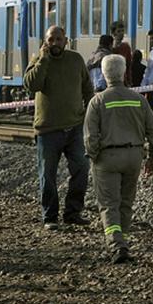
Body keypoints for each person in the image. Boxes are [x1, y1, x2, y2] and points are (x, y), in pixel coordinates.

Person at [84, 54, 153, 264]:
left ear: (103, 74)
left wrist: (93, 156)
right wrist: (152, 158)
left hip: (107, 158)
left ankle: (117, 246)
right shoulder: (138, 99)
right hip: (133, 156)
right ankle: (124, 241)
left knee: (109, 204)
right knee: (126, 203)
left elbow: (91, 137)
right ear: (124, 72)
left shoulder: (97, 101)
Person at [25, 25, 94, 230]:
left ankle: (73, 212)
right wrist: (43, 60)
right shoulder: (38, 60)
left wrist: (89, 113)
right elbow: (31, 85)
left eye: (58, 39)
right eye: (51, 40)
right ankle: (50, 216)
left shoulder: (75, 59)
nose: (55, 43)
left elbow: (87, 87)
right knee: (47, 174)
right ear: (45, 42)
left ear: (66, 40)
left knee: (81, 169)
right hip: (48, 129)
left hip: (74, 127)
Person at [110, 20, 133, 85]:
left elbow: (129, 65)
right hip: (111, 81)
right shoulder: (110, 48)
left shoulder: (126, 47)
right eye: (119, 31)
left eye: (123, 31)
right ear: (113, 33)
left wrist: (129, 81)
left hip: (123, 81)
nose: (121, 33)